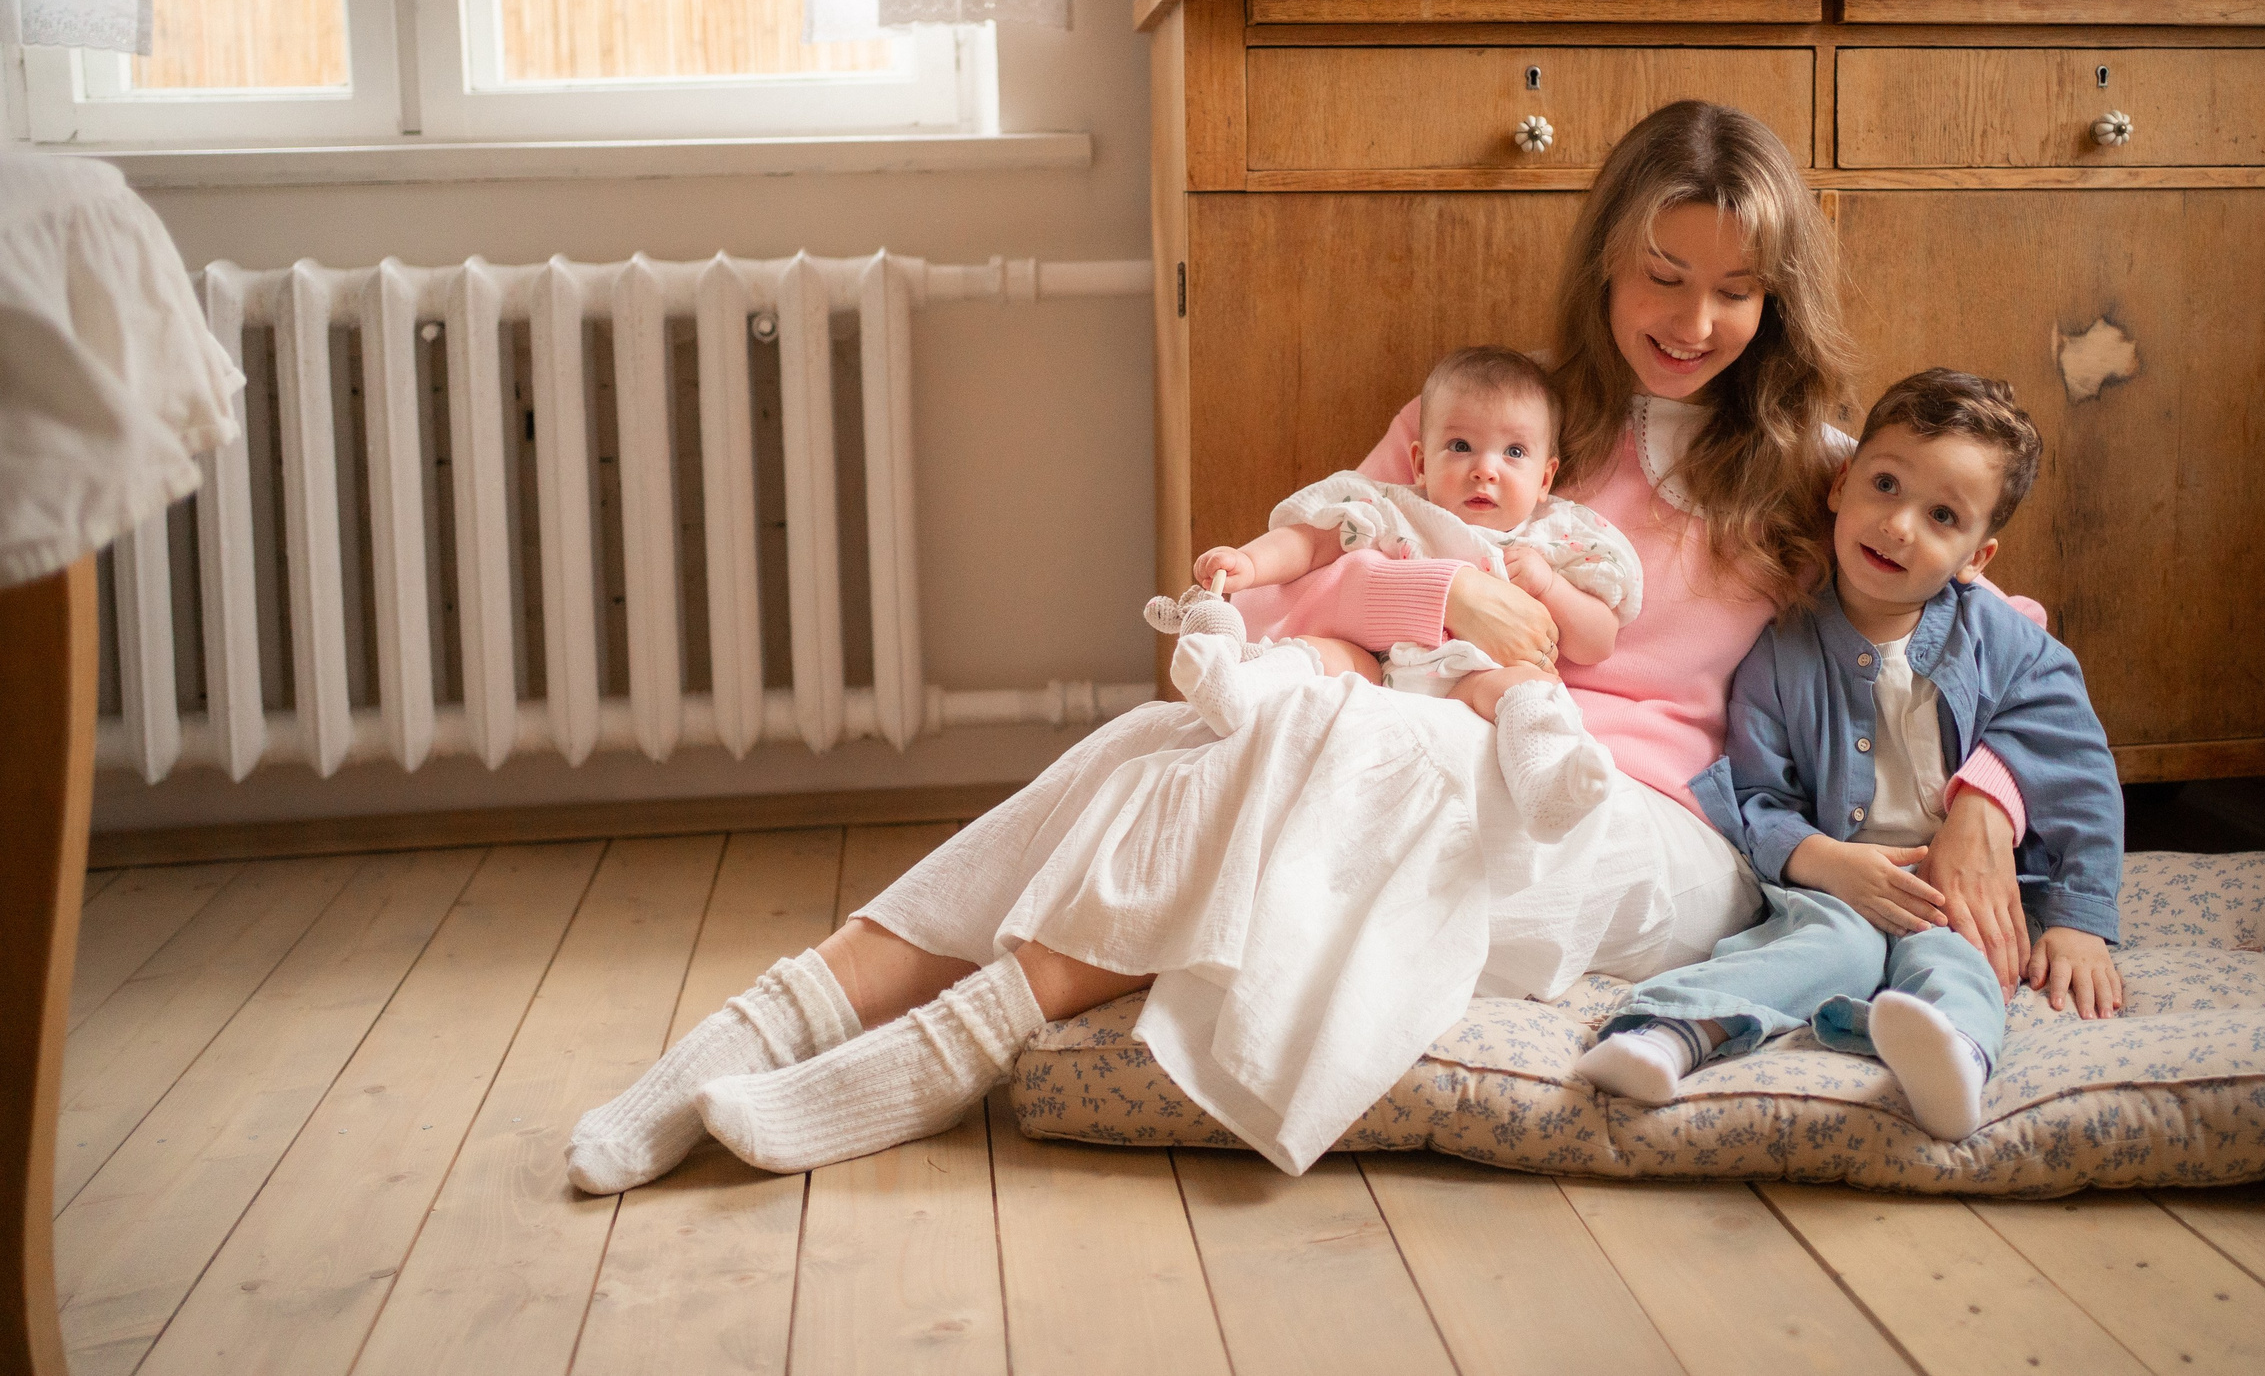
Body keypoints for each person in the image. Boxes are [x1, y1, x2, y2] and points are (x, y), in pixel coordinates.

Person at [560, 101, 2041, 1190]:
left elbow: (2017, 633)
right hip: (1416, 736)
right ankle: (747, 1036)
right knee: (1169, 736)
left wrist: (1986, 802)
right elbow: (1280, 609)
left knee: (1342, 739)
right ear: (1606, 261)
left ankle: (946, 1049)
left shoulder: (1821, 463)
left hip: (1641, 831)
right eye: (1664, 272)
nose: (1693, 317)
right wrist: (1441, 603)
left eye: (1734, 288)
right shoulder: (1488, 419)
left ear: (1776, 297)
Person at [1574, 371, 2124, 1141]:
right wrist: (1824, 861)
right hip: (1837, 884)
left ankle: (1952, 1057)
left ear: (1977, 555)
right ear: (1841, 483)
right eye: (1885, 484)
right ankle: (1667, 1033)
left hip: (1949, 897)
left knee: (1962, 965)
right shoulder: (1780, 653)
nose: (1898, 525)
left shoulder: (2007, 647)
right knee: (1816, 948)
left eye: (1941, 515)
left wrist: (2078, 919)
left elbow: (2079, 773)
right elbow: (1757, 796)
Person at [1155, 342, 1639, 838]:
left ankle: (1545, 780)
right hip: (1382, 669)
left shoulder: (1556, 538)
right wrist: (1249, 562)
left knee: (1527, 688)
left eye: (1514, 452)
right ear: (1421, 462)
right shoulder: (1397, 509)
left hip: (1475, 685)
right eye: (1460, 446)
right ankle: (1237, 689)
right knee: (1328, 655)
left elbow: (1596, 642)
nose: (1485, 469)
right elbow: (1312, 540)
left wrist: (1550, 585)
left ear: (1546, 476)